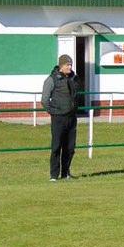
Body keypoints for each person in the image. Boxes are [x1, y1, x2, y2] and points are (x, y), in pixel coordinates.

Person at [41, 54, 78, 182]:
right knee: (56, 146)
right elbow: (45, 100)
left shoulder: (73, 78)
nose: (70, 67)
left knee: (70, 147)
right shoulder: (51, 79)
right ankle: (54, 175)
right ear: (61, 66)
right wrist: (53, 111)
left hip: (71, 117)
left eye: (71, 65)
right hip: (58, 118)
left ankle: (65, 173)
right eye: (68, 65)